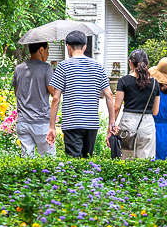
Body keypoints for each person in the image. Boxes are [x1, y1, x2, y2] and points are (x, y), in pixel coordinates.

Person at [47, 30, 116, 158]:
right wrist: (111, 123)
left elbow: (56, 98)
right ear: (85, 47)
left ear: (68, 46)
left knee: (74, 165)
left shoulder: (63, 66)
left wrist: (52, 127)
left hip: (72, 122)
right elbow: (109, 95)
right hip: (91, 123)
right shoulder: (98, 66)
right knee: (87, 160)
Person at [112, 49, 160, 160]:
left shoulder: (123, 81)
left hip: (128, 122)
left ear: (130, 63)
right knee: (146, 162)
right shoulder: (154, 83)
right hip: (147, 123)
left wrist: (112, 125)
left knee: (126, 160)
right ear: (147, 64)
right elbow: (155, 111)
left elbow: (117, 107)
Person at [12, 41, 54, 157]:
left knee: (27, 162)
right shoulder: (46, 68)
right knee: (48, 160)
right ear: (41, 50)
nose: (48, 54)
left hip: (23, 123)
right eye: (47, 50)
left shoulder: (18, 69)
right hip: (41, 123)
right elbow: (53, 92)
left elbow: (17, 92)